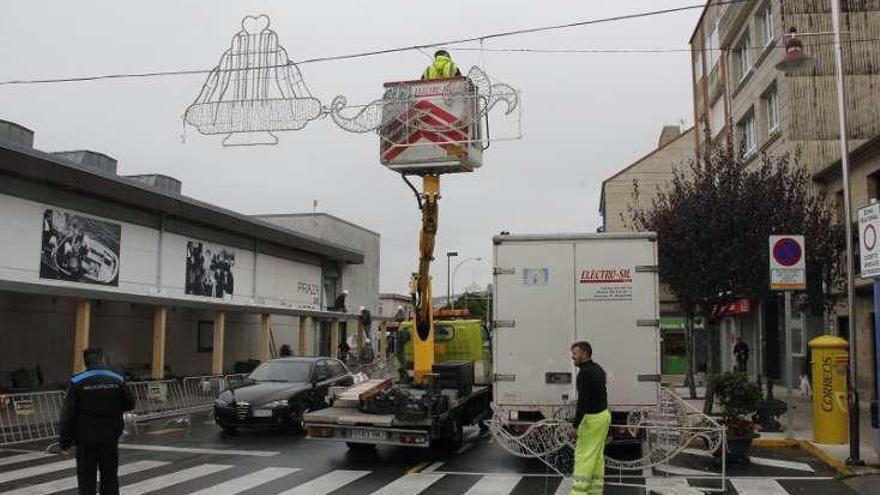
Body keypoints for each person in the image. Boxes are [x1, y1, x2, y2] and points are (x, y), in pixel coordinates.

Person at [59, 348, 136, 495]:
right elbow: (130, 404)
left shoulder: (77, 380)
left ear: (85, 361)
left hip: (85, 438)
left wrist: (65, 442)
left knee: (86, 479)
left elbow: (68, 414)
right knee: (110, 477)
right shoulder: (117, 378)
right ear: (102, 359)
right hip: (110, 436)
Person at [570, 341, 610, 495]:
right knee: (597, 456)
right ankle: (595, 491)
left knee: (584, 456)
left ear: (585, 354)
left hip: (592, 419)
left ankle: (578, 492)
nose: (572, 356)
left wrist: (575, 425)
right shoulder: (598, 369)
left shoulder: (584, 374)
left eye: (575, 353)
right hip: (603, 416)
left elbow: (583, 402)